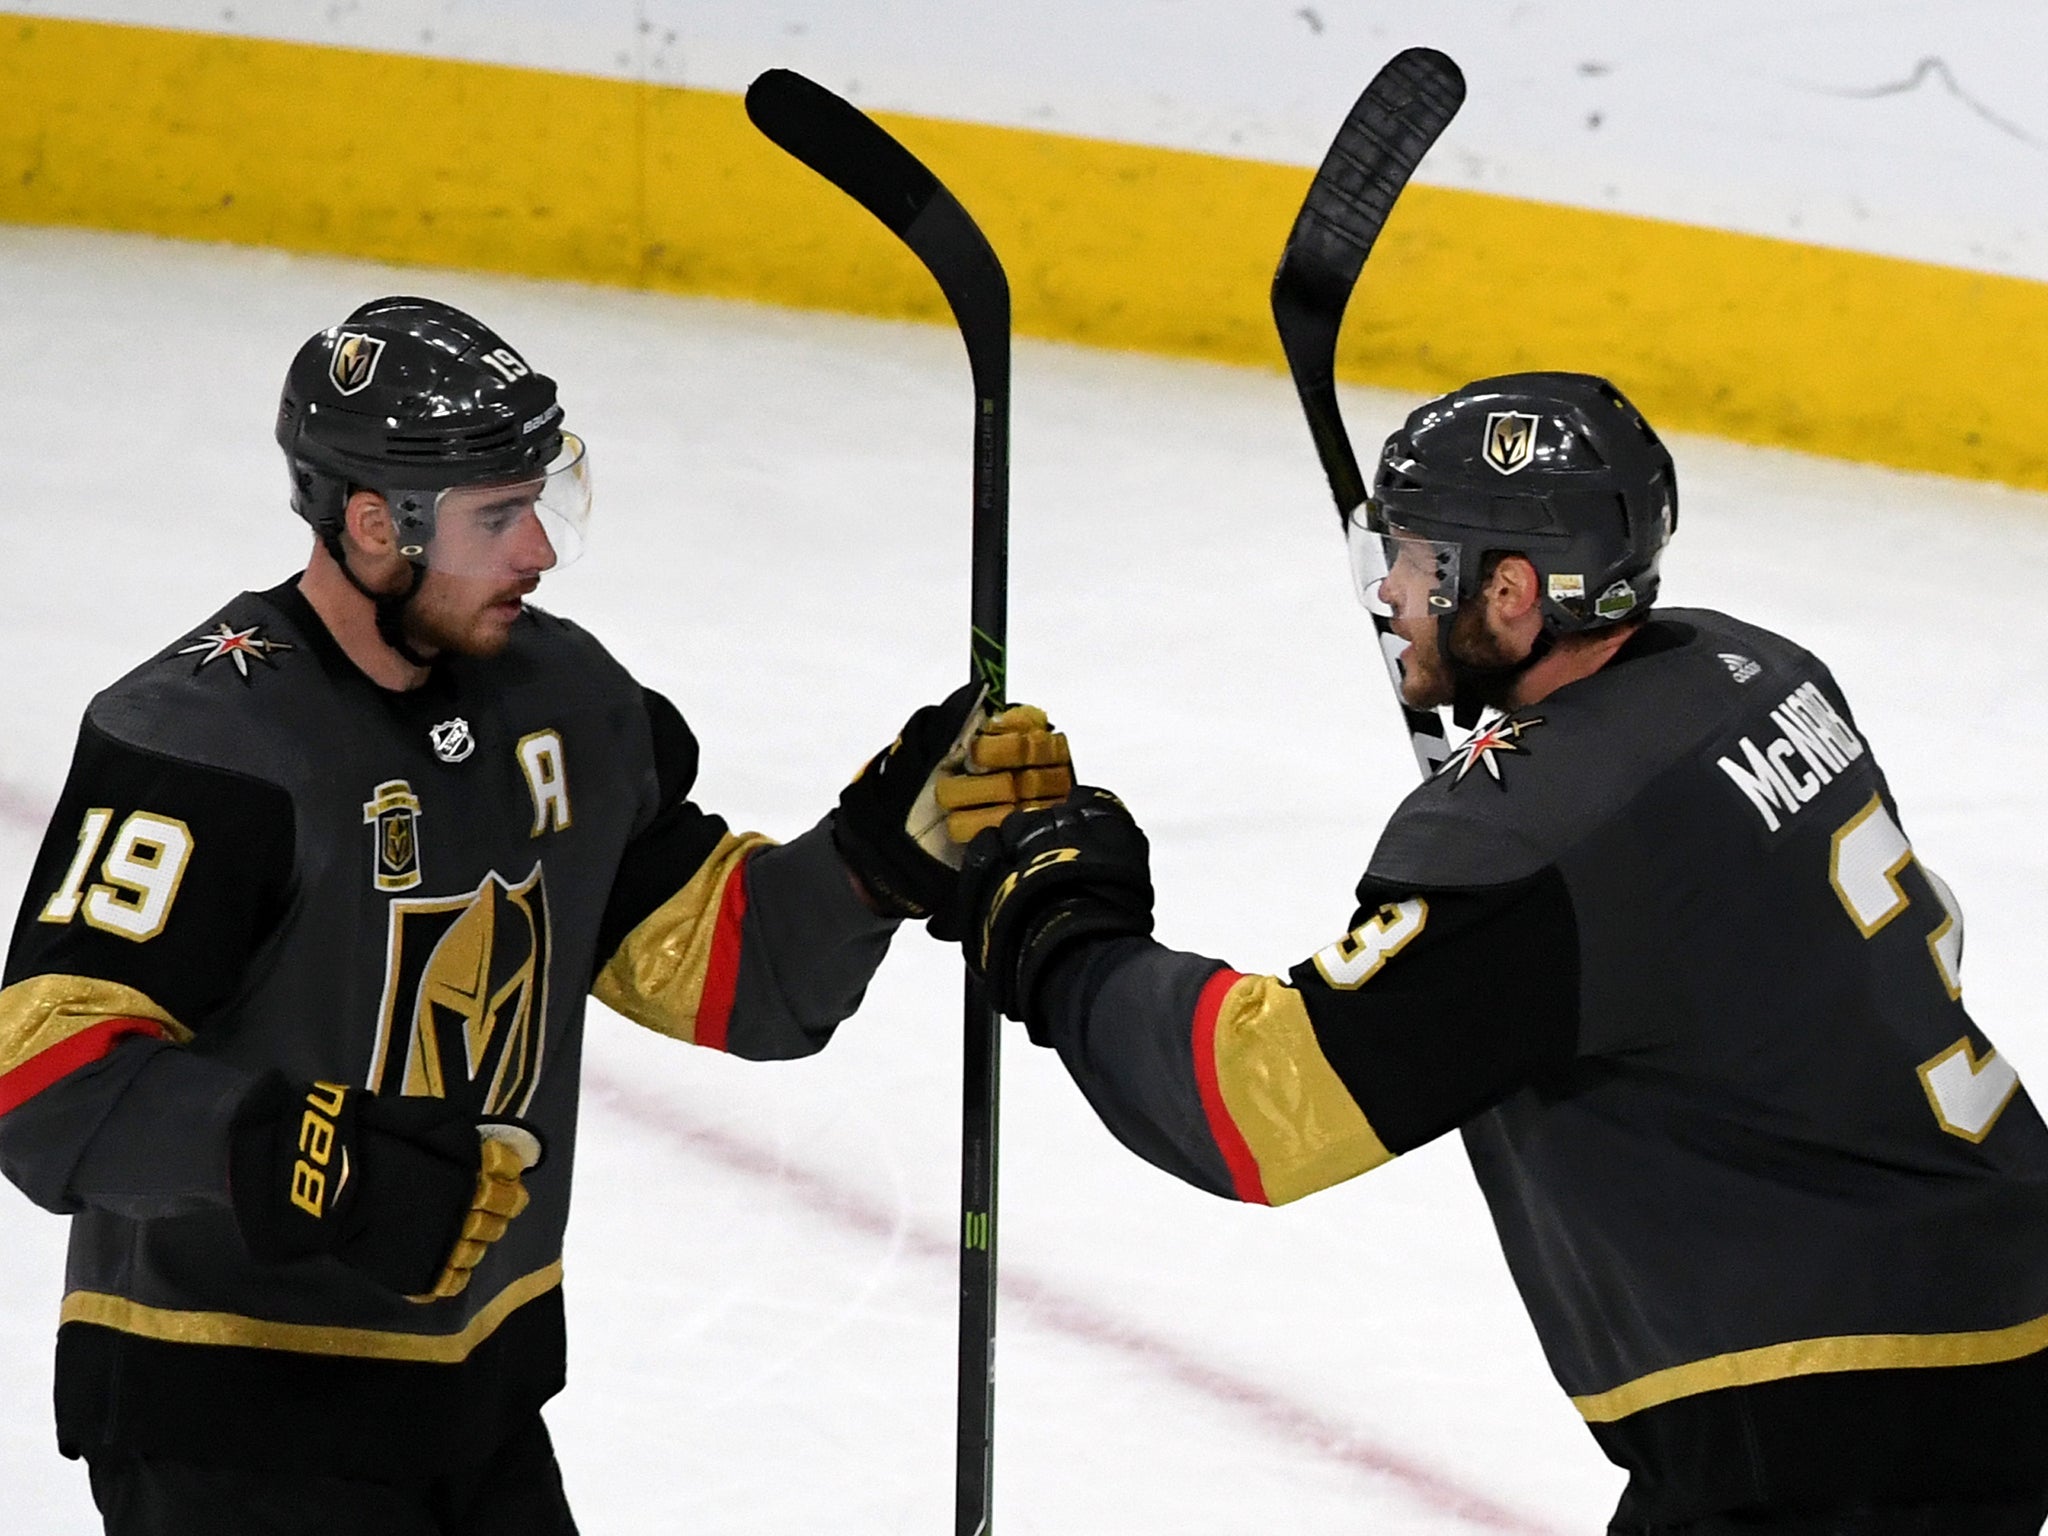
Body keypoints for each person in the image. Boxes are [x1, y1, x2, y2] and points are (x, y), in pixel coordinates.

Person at [0, 295, 1070, 1535]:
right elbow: (46, 1085)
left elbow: (732, 972)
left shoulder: (558, 701)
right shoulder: (208, 744)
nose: (538, 553)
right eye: (496, 518)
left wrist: (875, 862)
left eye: (539, 503)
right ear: (371, 524)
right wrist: (319, 1162)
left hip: (478, 1405)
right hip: (231, 1424)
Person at [954, 371, 2048, 1535]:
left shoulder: (1532, 835)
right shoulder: (1755, 672)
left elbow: (1257, 1108)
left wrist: (1061, 930)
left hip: (1825, 1408)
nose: (1386, 591)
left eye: (1418, 560)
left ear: (1512, 592)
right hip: (1989, 1300)